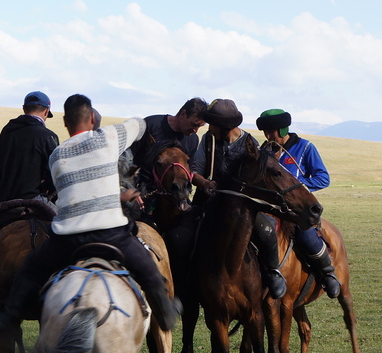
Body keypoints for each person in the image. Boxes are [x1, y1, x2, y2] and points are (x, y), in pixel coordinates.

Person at [0, 94, 178, 335]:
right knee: (149, 271)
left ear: (65, 123)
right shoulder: (109, 138)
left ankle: (9, 317)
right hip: (111, 233)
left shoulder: (57, 156)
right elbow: (139, 124)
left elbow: (77, 192)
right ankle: (166, 315)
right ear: (92, 117)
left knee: (30, 270)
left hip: (67, 239)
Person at [188, 98, 289, 299]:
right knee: (184, 232)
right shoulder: (208, 140)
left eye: (212, 124)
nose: (209, 128)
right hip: (209, 203)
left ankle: (272, 272)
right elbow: (194, 171)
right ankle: (186, 279)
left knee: (266, 230)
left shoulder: (250, 144)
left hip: (243, 207)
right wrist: (205, 183)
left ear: (224, 127)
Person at [256, 109, 340, 298]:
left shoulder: (305, 148)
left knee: (305, 236)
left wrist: (295, 186)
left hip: (296, 210)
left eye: (272, 132)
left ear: (283, 130)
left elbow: (323, 178)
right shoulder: (264, 152)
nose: (268, 136)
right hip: (271, 209)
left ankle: (327, 273)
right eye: (266, 132)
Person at [0, 90, 61, 230]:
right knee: (66, 224)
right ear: (46, 111)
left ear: (24, 108)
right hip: (31, 200)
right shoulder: (47, 136)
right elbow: (54, 175)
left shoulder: (6, 131)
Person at [133, 97, 208, 172]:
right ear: (183, 114)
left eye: (200, 126)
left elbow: (188, 171)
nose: (196, 130)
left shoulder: (193, 139)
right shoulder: (150, 125)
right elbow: (128, 159)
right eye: (194, 125)